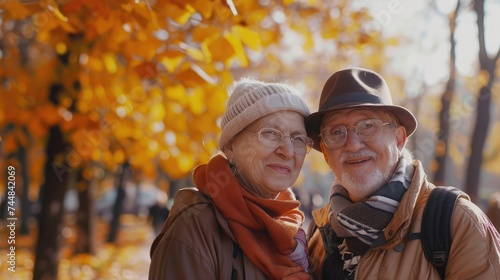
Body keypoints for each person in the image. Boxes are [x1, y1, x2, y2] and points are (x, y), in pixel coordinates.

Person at [305, 67, 500, 279]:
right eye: (336, 132)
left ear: (399, 139)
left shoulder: (457, 223)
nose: (352, 144)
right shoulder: (318, 231)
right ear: (325, 152)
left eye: (368, 125)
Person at [149, 78, 314, 279]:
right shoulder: (195, 226)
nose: (288, 151)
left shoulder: (295, 228)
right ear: (230, 146)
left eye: (298, 139)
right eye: (270, 133)